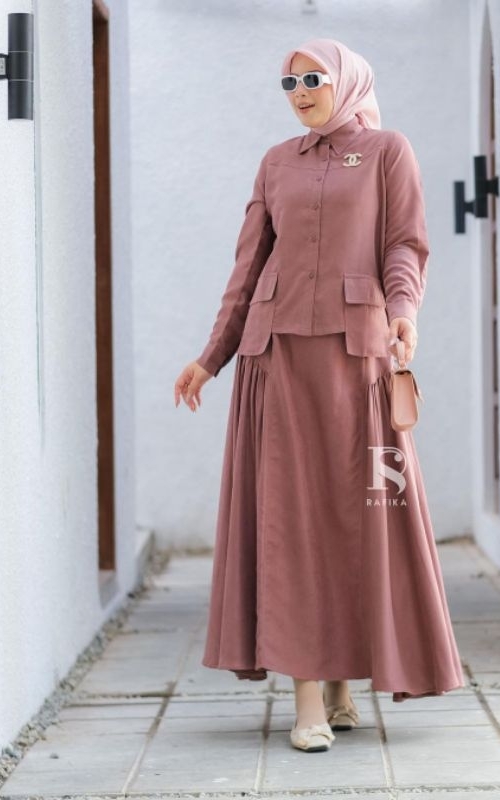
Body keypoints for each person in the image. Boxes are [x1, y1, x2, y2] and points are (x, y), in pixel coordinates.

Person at [174, 38, 464, 753]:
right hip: (275, 365)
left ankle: (341, 686)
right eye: (289, 83)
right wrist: (211, 358)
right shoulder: (276, 162)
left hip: (357, 362)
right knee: (292, 522)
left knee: (362, 514)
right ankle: (309, 697)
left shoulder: (388, 151)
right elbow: (247, 269)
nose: (301, 92)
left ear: (347, 81)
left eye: (313, 79)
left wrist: (405, 312)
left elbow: (405, 244)